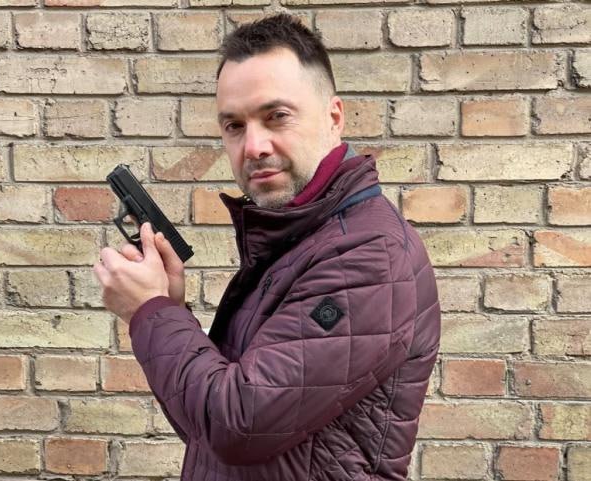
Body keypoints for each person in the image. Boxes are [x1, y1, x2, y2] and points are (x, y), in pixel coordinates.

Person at [94, 13, 440, 481]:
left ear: (334, 117)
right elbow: (205, 429)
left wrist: (150, 313)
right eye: (234, 125)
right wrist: (170, 308)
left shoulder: (368, 256)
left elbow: (237, 426)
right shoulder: (296, 236)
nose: (254, 145)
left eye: (277, 116)